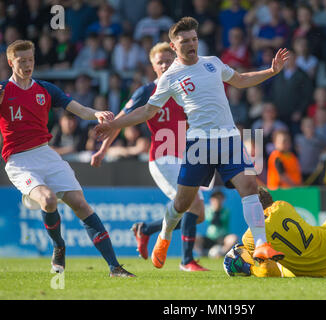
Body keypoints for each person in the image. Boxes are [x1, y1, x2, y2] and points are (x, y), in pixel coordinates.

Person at [94, 17, 290, 269]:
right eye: (184, 41)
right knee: (183, 203)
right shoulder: (170, 78)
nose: (191, 44)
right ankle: (164, 236)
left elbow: (240, 80)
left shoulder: (212, 63)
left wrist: (271, 71)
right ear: (174, 46)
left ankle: (262, 244)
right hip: (199, 145)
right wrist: (114, 125)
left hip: (229, 139)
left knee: (250, 184)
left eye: (194, 39)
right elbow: (146, 112)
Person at [0, 40, 134, 277]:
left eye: (30, 60)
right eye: (21, 61)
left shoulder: (45, 89)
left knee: (81, 204)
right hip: (19, 160)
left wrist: (96, 114)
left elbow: (77, 108)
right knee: (48, 200)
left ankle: (115, 267)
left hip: (46, 153)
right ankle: (58, 245)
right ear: (11, 62)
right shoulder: (0, 90)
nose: (27, 65)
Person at [91, 41, 210, 271]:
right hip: (163, 157)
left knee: (199, 214)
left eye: (168, 60)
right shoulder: (146, 92)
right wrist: (103, 150)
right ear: (152, 66)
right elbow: (119, 122)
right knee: (191, 205)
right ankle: (187, 261)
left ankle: (146, 229)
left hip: (185, 155)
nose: (165, 65)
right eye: (160, 62)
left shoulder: (185, 87)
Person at [195, 189, 238, 258]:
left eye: (220, 198)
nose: (217, 200)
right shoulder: (207, 210)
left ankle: (222, 253)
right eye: (216, 198)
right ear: (211, 200)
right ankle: (202, 253)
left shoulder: (226, 211)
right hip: (209, 238)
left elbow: (218, 220)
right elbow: (209, 219)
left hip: (222, 239)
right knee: (194, 237)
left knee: (233, 238)